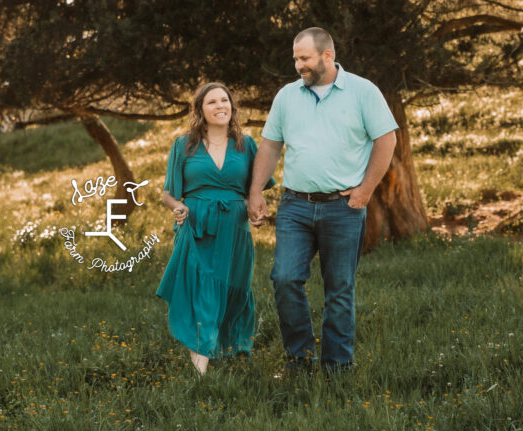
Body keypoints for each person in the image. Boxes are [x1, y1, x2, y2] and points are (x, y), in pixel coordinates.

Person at [247, 27, 397, 375]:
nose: (298, 64)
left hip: (342, 207)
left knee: (339, 288)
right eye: (295, 58)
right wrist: (256, 192)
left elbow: (386, 140)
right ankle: (299, 360)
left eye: (304, 58)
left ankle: (337, 366)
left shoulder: (362, 91)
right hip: (295, 205)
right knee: (284, 278)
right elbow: (270, 145)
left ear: (327, 56)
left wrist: (365, 191)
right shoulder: (287, 96)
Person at [157, 82, 274, 375]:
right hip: (197, 229)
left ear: (232, 107)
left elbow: (254, 193)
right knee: (202, 292)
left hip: (235, 232)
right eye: (212, 102)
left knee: (235, 292)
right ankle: (200, 374)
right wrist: (177, 207)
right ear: (200, 110)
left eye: (225, 100)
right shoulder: (183, 146)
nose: (220, 106)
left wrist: (256, 213)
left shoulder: (246, 145)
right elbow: (168, 194)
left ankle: (230, 356)